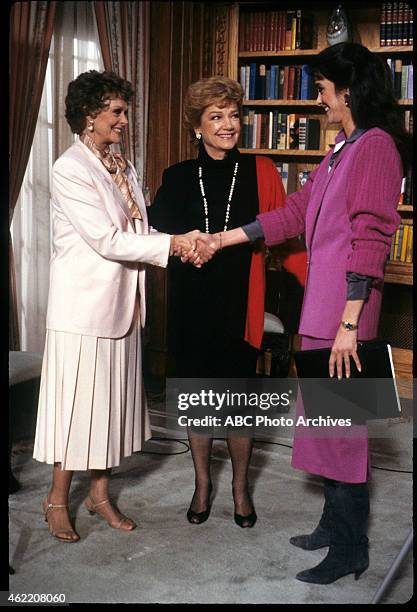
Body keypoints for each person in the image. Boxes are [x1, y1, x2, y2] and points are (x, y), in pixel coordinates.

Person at [195, 43, 410, 581]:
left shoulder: (377, 147)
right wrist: (224, 239)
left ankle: (349, 549)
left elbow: (372, 239)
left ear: (348, 90)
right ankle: (332, 525)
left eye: (321, 89)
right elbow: (294, 212)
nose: (317, 100)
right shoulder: (343, 147)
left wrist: (348, 326)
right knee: (324, 425)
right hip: (321, 312)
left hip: (345, 316)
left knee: (343, 430)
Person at [33, 70, 201, 542]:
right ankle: (56, 499)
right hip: (84, 311)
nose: (125, 120)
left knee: (109, 410)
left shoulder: (119, 165)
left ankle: (100, 495)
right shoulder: (71, 168)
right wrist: (175, 245)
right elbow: (108, 240)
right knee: (75, 411)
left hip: (123, 304)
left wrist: (180, 241)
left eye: (124, 111)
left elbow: (136, 231)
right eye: (117, 111)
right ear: (90, 115)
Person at [148, 76, 306, 528]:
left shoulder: (262, 170)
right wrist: (183, 246)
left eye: (234, 115)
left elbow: (286, 238)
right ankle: (201, 485)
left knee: (237, 403)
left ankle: (239, 489)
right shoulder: (177, 176)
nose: (228, 125)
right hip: (191, 305)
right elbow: (155, 235)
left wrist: (317, 295)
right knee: (199, 400)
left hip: (240, 305)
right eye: (216, 116)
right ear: (196, 126)